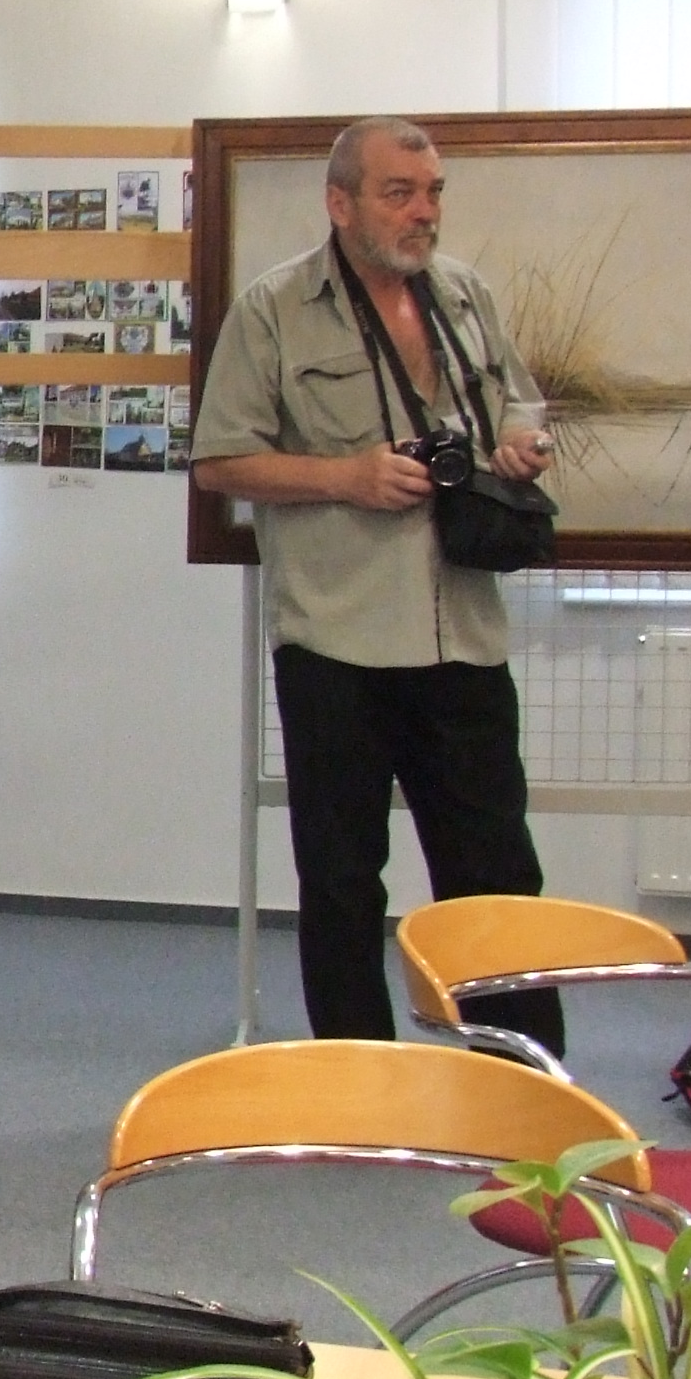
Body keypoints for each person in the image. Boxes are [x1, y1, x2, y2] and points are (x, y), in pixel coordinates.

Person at [187, 116, 566, 1052]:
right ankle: (357, 1077)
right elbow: (220, 460)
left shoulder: (465, 295)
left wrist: (521, 438)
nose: (422, 211)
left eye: (432, 193)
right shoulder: (275, 309)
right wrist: (346, 477)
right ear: (341, 202)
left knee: (498, 878)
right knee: (343, 880)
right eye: (400, 193)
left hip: (462, 636)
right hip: (336, 643)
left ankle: (520, 1077)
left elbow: (520, 396)